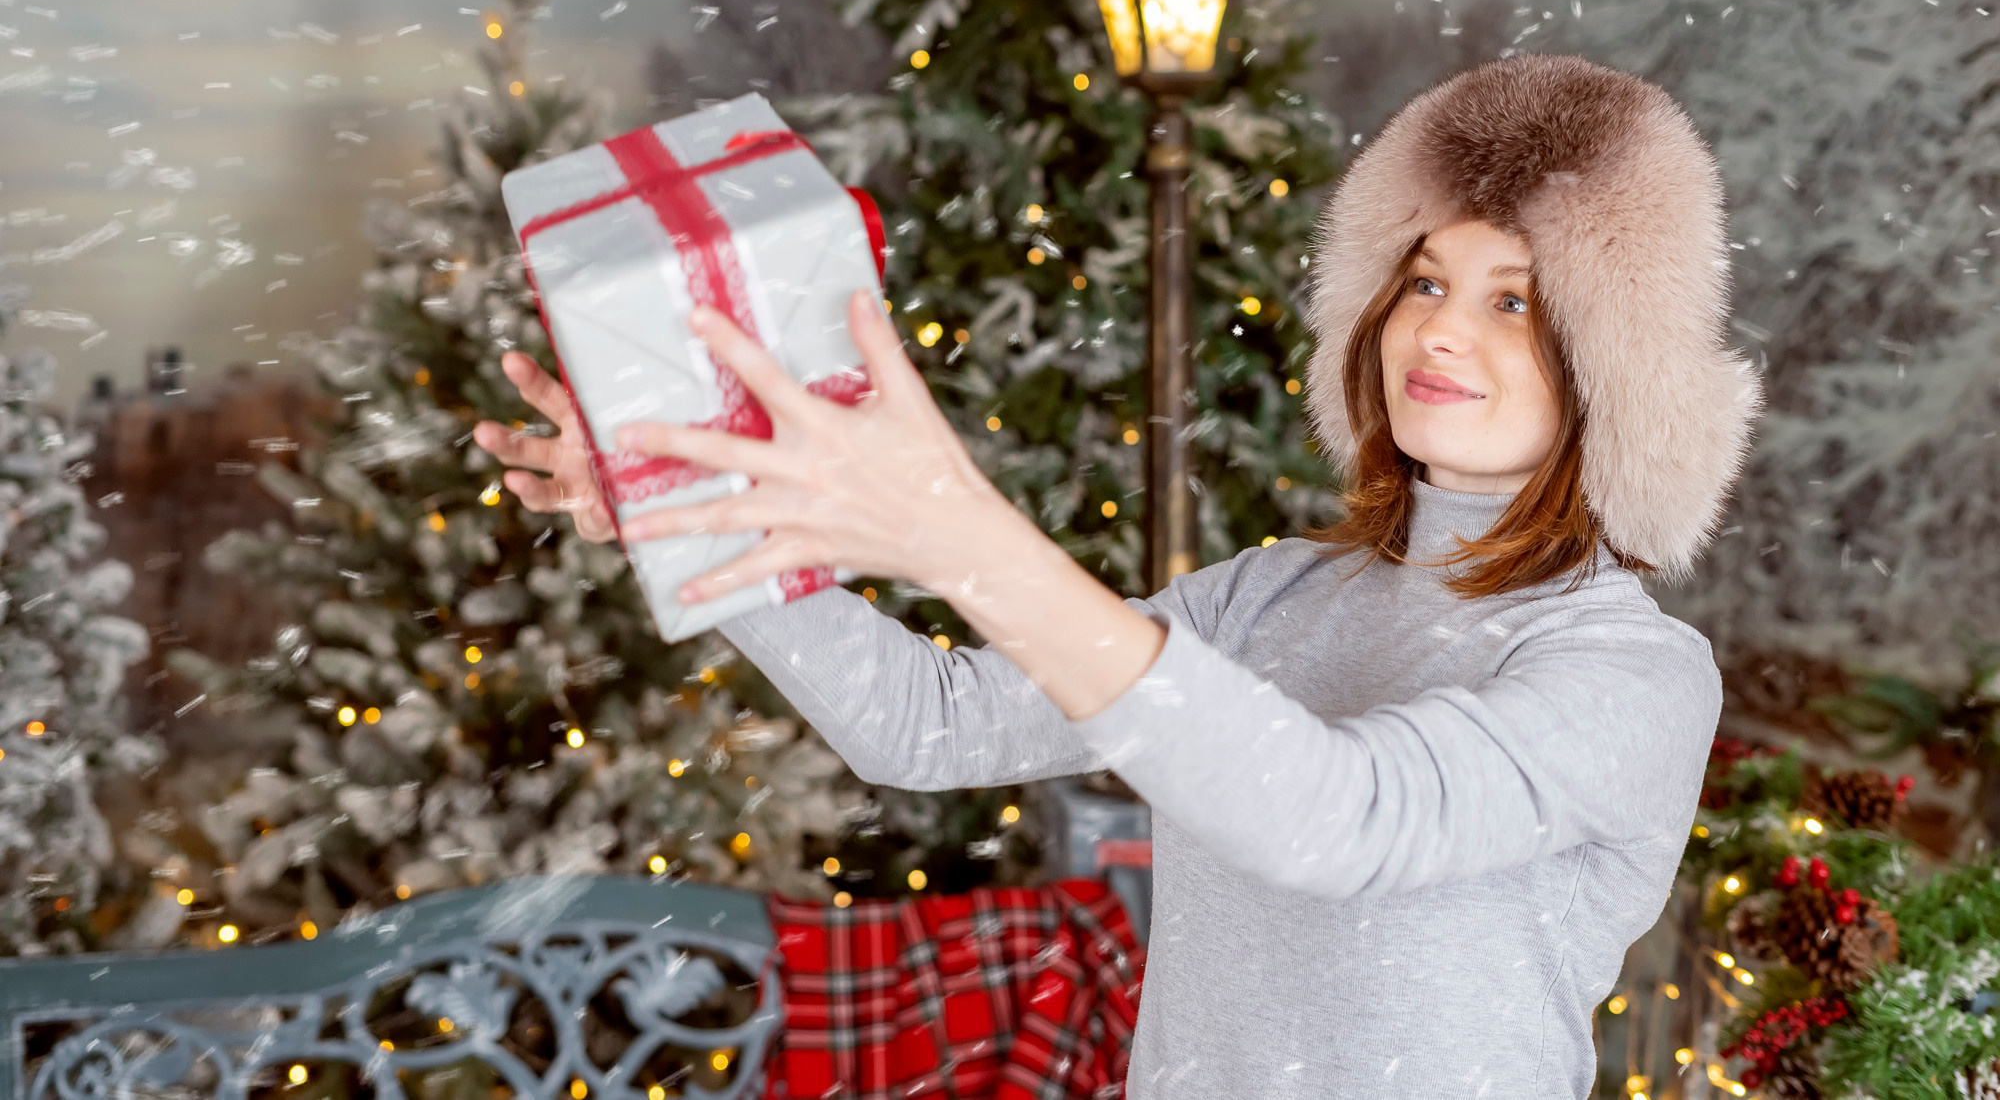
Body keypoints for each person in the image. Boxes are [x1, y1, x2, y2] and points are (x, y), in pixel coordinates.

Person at [473, 53, 1762, 1098]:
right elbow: (924, 723)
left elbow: (1344, 818)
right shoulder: (1270, 600)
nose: (1437, 327)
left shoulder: (1630, 673)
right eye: (1425, 279)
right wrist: (696, 512)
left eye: (1513, 302)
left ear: (1610, 363)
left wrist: (959, 532)